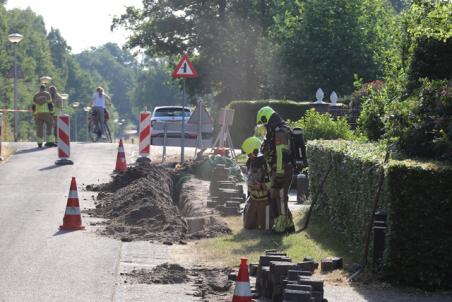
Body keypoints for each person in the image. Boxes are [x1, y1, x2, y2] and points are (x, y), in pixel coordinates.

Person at [256, 106, 297, 233]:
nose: (264, 128)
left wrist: (279, 174)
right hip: (277, 170)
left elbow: (281, 154)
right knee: (275, 196)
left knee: (280, 197)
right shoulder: (274, 131)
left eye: (264, 124)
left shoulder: (280, 131)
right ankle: (289, 226)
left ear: (267, 119)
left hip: (283, 169)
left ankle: (281, 228)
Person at [242, 136, 273, 230]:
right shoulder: (250, 162)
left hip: (265, 199)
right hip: (253, 198)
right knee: (248, 226)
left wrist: (262, 186)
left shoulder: (267, 163)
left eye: (250, 154)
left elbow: (274, 182)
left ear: (256, 151)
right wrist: (250, 187)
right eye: (248, 155)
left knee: (266, 228)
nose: (249, 157)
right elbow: (249, 178)